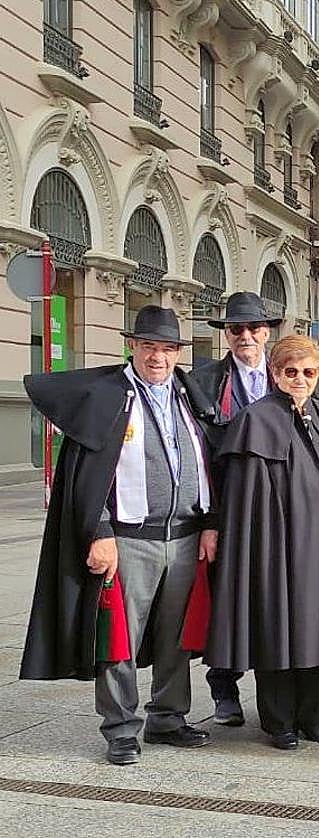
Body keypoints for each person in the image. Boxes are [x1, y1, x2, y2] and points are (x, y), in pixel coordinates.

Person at [21, 306, 217, 765]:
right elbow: (87, 475)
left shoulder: (188, 398)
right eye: (149, 346)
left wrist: (210, 522)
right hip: (129, 538)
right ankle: (121, 728)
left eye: (168, 349)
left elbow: (210, 462)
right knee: (120, 639)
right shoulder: (110, 397)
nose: (158, 357)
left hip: (186, 535)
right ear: (133, 346)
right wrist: (101, 531)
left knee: (176, 636)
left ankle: (168, 717)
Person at [205, 336, 319, 750]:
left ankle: (312, 717)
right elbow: (251, 493)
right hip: (275, 545)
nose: (300, 379)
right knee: (277, 628)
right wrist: (313, 490)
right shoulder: (255, 420)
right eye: (291, 371)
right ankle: (278, 721)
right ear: (276, 372)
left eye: (309, 372)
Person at [189, 290, 282, 728]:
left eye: (252, 328)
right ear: (226, 335)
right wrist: (209, 521)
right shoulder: (204, 381)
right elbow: (198, 455)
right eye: (235, 329)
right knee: (223, 596)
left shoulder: (285, 376)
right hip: (225, 507)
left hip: (276, 509)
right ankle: (223, 687)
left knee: (270, 598)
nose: (245, 336)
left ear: (266, 332)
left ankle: (273, 694)